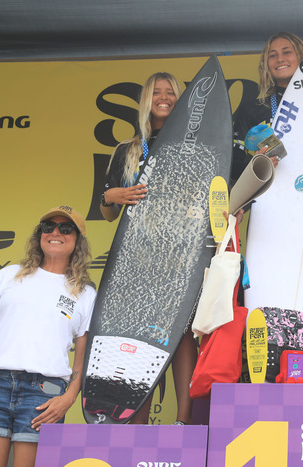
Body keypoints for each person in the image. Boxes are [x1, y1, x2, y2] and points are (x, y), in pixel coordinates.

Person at [0, 205, 96, 467]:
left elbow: (83, 356)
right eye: (48, 227)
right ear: (39, 234)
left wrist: (68, 398)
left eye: (65, 228)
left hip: (45, 393)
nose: (55, 232)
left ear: (77, 240)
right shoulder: (9, 275)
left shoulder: (86, 293)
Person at [99, 71, 196, 425]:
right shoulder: (127, 150)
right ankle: (135, 424)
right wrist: (111, 196)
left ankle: (184, 420)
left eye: (171, 92)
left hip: (182, 254)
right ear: (145, 100)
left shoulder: (193, 145)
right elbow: (107, 213)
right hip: (136, 257)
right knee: (138, 334)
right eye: (157, 92)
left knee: (182, 331)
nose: (164, 97)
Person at [231, 32, 303, 182]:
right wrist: (256, 165)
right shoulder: (253, 109)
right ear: (266, 64)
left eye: (287, 52)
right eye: (272, 55)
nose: (280, 59)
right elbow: (232, 164)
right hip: (271, 192)